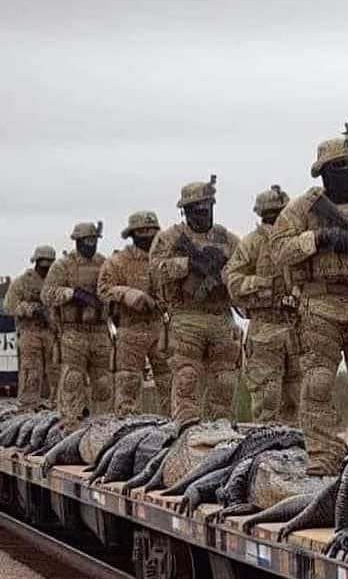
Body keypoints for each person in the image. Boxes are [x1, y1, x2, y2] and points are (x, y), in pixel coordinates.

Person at [270, 124, 348, 475]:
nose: (347, 173)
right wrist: (320, 238)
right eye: (339, 167)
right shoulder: (303, 209)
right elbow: (278, 249)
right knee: (318, 382)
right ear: (323, 172)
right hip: (319, 304)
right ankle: (323, 454)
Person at [149, 178, 240, 422]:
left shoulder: (228, 240)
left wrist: (222, 274)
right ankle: (186, 429)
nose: (201, 214)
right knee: (186, 379)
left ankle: (220, 430)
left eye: (205, 208)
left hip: (220, 316)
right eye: (195, 210)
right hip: (186, 315)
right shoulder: (170, 238)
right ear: (185, 211)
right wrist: (188, 264)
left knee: (225, 381)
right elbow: (155, 270)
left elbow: (242, 269)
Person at [223, 185, 302, 424]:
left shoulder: (297, 239)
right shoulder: (252, 243)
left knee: (300, 400)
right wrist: (265, 285)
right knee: (267, 402)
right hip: (264, 328)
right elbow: (233, 281)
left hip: (297, 327)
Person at [97, 211, 171, 415]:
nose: (148, 236)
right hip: (130, 328)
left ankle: (174, 424)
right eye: (142, 232)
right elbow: (103, 290)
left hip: (160, 327)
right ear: (132, 234)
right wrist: (129, 295)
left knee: (170, 381)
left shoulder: (164, 260)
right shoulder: (118, 262)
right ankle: (127, 423)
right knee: (128, 382)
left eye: (152, 231)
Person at [41, 222, 111, 430]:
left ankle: (104, 424)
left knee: (103, 382)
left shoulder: (104, 264)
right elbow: (47, 294)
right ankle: (71, 423)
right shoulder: (63, 266)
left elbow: (112, 289)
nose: (91, 244)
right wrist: (72, 294)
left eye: (94, 240)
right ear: (78, 242)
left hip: (99, 330)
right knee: (73, 379)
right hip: (73, 331)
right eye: (87, 241)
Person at [3, 244, 57, 409]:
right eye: (43, 265)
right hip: (30, 331)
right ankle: (28, 404)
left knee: (55, 369)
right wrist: (30, 309)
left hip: (51, 331)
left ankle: (53, 402)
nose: (46, 269)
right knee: (31, 369)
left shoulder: (56, 282)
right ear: (36, 262)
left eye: (49, 265)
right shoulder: (22, 283)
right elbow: (9, 306)